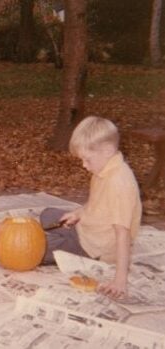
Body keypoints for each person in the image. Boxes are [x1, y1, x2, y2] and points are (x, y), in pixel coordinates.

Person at [39, 116, 142, 299]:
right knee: (47, 215)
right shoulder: (104, 168)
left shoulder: (119, 183)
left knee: (35, 250)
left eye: (87, 160)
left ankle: (73, 253)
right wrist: (78, 213)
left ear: (108, 150)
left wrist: (120, 279)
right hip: (86, 228)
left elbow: (122, 233)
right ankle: (64, 233)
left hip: (93, 247)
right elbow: (96, 204)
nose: (84, 165)